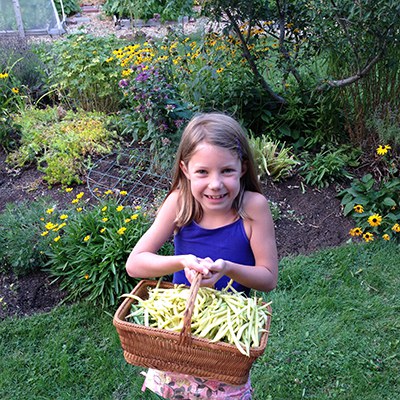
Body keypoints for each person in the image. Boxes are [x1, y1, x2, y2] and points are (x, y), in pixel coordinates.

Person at [126, 112, 278, 399]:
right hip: (178, 334)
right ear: (185, 169)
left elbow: (268, 278)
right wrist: (182, 261)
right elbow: (135, 264)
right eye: (202, 172)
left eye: (227, 171)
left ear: (243, 168)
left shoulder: (253, 208)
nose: (216, 184)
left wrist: (228, 268)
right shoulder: (180, 203)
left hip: (225, 343)